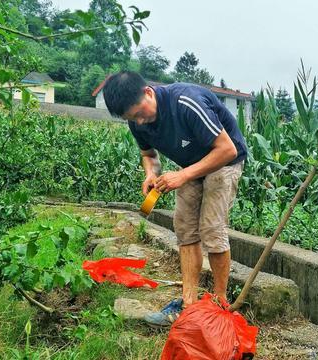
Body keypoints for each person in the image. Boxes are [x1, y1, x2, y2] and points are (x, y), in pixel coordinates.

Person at [102, 71, 247, 327]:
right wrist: (150, 173)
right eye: (132, 118)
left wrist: (183, 175)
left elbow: (227, 149)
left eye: (139, 113)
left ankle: (220, 304)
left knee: (212, 229)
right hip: (190, 164)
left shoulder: (185, 102)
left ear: (148, 92)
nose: (140, 121)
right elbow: (148, 154)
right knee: (185, 228)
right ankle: (189, 304)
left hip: (224, 161)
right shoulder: (137, 121)